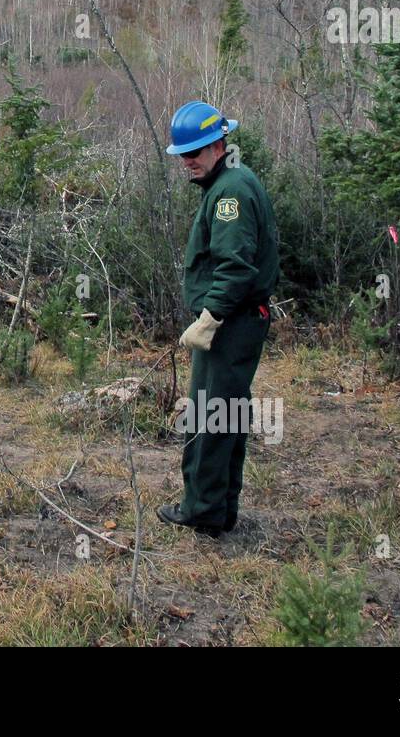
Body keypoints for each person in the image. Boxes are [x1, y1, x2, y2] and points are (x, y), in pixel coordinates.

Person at [157, 101, 278, 538]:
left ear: (218, 145)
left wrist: (211, 317)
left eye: (194, 153)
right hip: (238, 320)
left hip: (231, 323)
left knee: (209, 416)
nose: (187, 162)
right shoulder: (229, 183)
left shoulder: (229, 194)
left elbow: (236, 267)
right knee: (226, 414)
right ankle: (220, 508)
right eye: (182, 155)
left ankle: (203, 510)